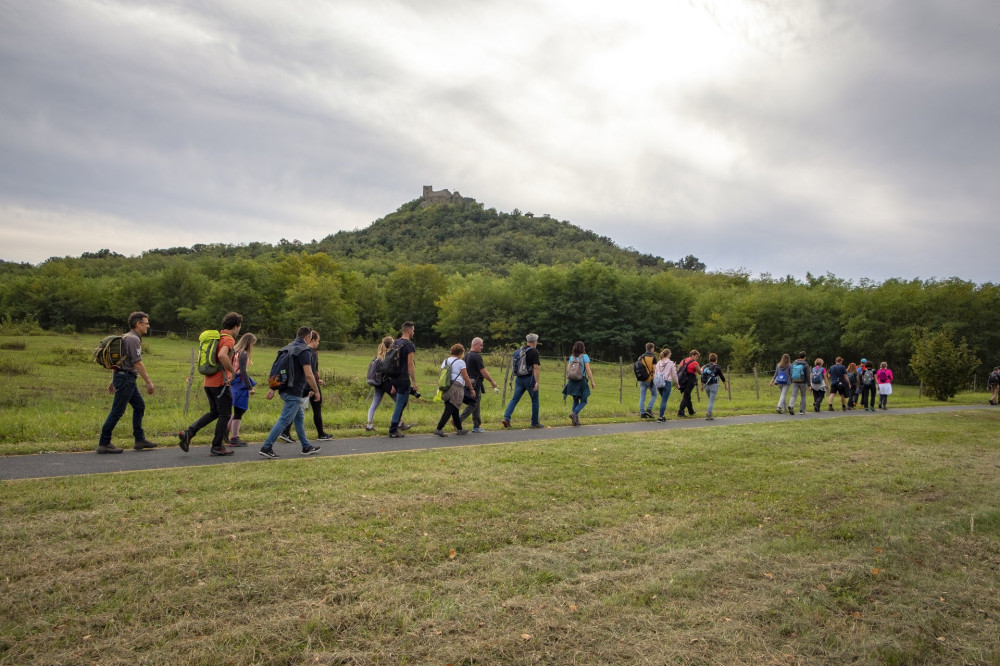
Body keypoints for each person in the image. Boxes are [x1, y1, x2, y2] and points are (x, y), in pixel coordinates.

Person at [178, 312, 242, 456]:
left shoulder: (216, 338)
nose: (239, 330)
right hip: (220, 383)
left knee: (214, 412)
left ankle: (189, 433)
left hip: (209, 382)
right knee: (225, 415)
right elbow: (221, 355)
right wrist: (232, 371)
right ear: (236, 326)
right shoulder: (228, 340)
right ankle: (217, 446)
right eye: (239, 327)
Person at [97, 311, 157, 453]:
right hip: (126, 378)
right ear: (138, 324)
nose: (148, 326)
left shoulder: (127, 337)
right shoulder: (133, 339)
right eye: (146, 323)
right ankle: (104, 443)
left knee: (139, 406)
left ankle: (139, 440)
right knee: (117, 411)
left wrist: (113, 379)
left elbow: (120, 360)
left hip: (124, 377)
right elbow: (137, 363)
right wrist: (148, 382)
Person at [258, 326, 322, 458]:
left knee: (299, 417)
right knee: (284, 419)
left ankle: (306, 446)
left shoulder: (288, 348)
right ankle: (267, 447)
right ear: (307, 337)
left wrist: (273, 388)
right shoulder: (304, 351)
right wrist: (316, 391)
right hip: (294, 390)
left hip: (284, 387)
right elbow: (309, 375)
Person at [279, 330, 332, 442]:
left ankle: (286, 431)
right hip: (310, 386)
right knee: (316, 409)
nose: (318, 343)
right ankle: (321, 434)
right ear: (312, 339)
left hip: (304, 384)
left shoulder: (304, 351)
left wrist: (318, 379)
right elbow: (310, 372)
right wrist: (314, 388)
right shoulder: (311, 353)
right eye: (317, 341)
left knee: (296, 409)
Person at [502, 333, 543, 429]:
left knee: (514, 399)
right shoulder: (534, 352)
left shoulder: (519, 351)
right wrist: (537, 382)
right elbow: (535, 368)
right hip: (530, 379)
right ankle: (534, 422)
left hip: (519, 378)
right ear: (534, 341)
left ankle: (506, 418)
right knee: (535, 400)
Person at [459, 337, 499, 432]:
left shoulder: (467, 355)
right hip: (475, 383)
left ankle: (477, 426)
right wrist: (492, 381)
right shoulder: (476, 356)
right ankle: (459, 420)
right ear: (475, 345)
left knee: (476, 402)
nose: (482, 348)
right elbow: (483, 371)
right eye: (480, 345)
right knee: (474, 403)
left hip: (469, 382)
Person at [433, 344, 474, 436]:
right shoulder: (460, 362)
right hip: (456, 386)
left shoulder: (446, 361)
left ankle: (459, 429)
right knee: (451, 407)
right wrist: (471, 388)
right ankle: (439, 428)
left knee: (454, 407)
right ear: (460, 352)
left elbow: (441, 374)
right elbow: (465, 376)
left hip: (447, 386)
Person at [388, 322, 419, 439]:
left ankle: (396, 425)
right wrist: (414, 381)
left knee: (403, 402)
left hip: (394, 376)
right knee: (400, 403)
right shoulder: (409, 346)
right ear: (409, 330)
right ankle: (393, 428)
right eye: (413, 330)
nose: (413, 332)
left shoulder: (395, 343)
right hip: (403, 377)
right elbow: (410, 364)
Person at [227, 332, 257, 448]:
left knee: (237, 409)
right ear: (248, 343)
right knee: (240, 409)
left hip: (233, 380)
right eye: (252, 344)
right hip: (240, 382)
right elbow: (243, 371)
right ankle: (234, 437)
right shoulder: (243, 354)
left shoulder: (234, 352)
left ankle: (226, 431)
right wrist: (249, 387)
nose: (252, 347)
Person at [562, 340, 596, 426]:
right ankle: (574, 413)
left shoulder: (571, 357)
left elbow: (568, 370)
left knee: (575, 400)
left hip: (572, 381)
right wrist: (592, 382)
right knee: (584, 401)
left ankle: (575, 421)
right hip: (581, 381)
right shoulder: (585, 356)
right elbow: (588, 370)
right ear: (583, 348)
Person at [366, 335, 395, 431]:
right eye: (393, 343)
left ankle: (369, 425)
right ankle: (399, 423)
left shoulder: (378, 357)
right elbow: (390, 372)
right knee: (399, 401)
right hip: (386, 383)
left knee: (374, 403)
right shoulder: (388, 357)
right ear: (390, 345)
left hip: (377, 383)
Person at [700, 352, 729, 421]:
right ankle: (709, 413)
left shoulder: (705, 366)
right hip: (713, 385)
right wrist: (725, 385)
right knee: (711, 400)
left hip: (706, 385)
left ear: (709, 359)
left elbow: (702, 375)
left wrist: (701, 385)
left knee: (710, 399)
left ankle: (710, 413)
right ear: (716, 359)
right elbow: (722, 377)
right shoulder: (717, 367)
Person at [653, 348, 678, 422]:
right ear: (668, 354)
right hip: (667, 382)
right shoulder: (671, 363)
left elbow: (656, 373)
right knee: (664, 400)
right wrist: (677, 383)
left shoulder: (658, 363)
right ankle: (660, 416)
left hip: (659, 383)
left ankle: (662, 415)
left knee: (663, 399)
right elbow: (674, 374)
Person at [675, 350, 701, 418]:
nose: (697, 358)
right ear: (692, 355)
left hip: (682, 380)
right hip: (690, 380)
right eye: (696, 356)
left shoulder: (683, 360)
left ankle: (691, 410)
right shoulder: (694, 363)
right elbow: (699, 372)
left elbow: (679, 369)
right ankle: (680, 411)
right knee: (686, 396)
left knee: (687, 395)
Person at [637, 342, 657, 418]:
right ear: (652, 348)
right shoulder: (653, 357)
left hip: (642, 379)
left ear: (646, 348)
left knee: (642, 396)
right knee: (654, 394)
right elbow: (654, 369)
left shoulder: (641, 357)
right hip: (650, 379)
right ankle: (649, 409)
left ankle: (642, 413)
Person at [787, 351, 810, 415]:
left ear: (798, 356)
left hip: (794, 381)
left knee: (793, 395)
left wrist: (792, 380)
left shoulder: (794, 363)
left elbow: (791, 373)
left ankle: (791, 406)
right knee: (803, 396)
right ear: (805, 357)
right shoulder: (806, 364)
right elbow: (807, 375)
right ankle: (802, 411)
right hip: (803, 382)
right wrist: (809, 385)